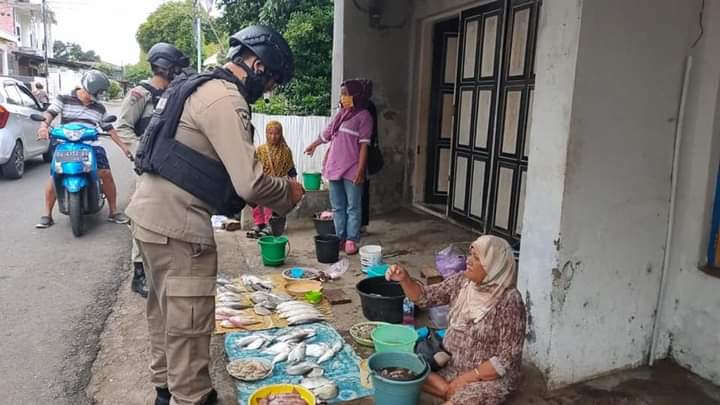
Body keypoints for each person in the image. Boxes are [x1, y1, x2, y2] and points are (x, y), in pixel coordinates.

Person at [127, 25, 304, 405]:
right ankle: (192, 396)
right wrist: (288, 193)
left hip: (148, 217)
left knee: (164, 312)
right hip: (179, 226)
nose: (268, 90)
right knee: (189, 323)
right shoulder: (226, 97)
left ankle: (165, 390)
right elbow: (250, 183)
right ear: (257, 65)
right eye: (271, 81)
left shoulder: (197, 86)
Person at [385, 235, 526, 405]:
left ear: (494, 266)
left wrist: (466, 379)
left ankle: (450, 392)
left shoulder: (509, 300)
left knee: (469, 398)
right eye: (470, 254)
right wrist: (405, 279)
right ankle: (447, 390)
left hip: (485, 378)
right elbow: (425, 297)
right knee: (398, 366)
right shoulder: (463, 282)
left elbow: (506, 359)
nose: (468, 260)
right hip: (450, 365)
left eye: (476, 258)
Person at [116, 43, 189, 298]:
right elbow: (123, 127)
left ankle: (166, 266)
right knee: (143, 220)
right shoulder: (140, 94)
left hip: (171, 167)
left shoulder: (175, 93)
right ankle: (139, 274)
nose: (179, 71)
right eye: (176, 67)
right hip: (148, 169)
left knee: (170, 218)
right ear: (165, 66)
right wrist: (142, 153)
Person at [35, 70, 133, 229]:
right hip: (65, 144)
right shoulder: (64, 98)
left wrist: (124, 147)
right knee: (55, 175)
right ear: (85, 87)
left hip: (91, 146)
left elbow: (109, 128)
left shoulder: (99, 108)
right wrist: (43, 127)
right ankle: (47, 214)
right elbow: (50, 113)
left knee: (106, 173)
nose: (93, 97)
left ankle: (113, 211)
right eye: (93, 93)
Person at [304, 79, 373, 255]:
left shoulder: (364, 116)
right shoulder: (341, 114)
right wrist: (314, 145)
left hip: (352, 168)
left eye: (345, 94)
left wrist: (360, 170)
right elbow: (327, 133)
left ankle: (351, 239)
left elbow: (364, 146)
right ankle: (340, 237)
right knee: (338, 206)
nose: (342, 98)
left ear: (355, 95)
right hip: (334, 166)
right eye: (342, 94)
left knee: (353, 207)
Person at [248, 120, 298, 238]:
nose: (273, 136)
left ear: (281, 134)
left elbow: (291, 169)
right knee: (254, 199)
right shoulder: (260, 150)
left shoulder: (286, 151)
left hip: (279, 184)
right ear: (266, 134)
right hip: (262, 181)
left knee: (269, 201)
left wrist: (294, 185)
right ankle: (259, 224)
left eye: (276, 133)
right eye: (270, 133)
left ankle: (269, 225)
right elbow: (254, 166)